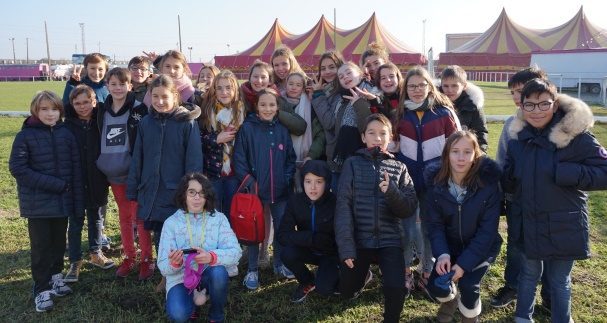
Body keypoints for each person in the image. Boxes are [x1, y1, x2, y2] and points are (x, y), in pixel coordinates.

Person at [502, 79, 607, 322]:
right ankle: (522, 317)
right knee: (528, 273)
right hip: (529, 220)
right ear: (522, 106)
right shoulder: (519, 138)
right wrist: (508, 177)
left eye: (543, 104)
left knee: (560, 280)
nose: (537, 111)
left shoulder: (576, 136)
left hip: (564, 223)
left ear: (555, 103)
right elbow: (510, 170)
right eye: (530, 105)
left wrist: (569, 173)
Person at [335, 113, 418, 323]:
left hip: (390, 240)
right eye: (372, 133)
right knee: (347, 290)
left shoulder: (399, 168)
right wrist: (346, 247)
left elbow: (408, 208)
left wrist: (392, 192)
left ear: (390, 138)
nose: (377, 138)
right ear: (363, 137)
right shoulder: (352, 164)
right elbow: (343, 206)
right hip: (360, 239)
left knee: (396, 289)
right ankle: (363, 277)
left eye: (383, 134)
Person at [9, 91, 81, 312]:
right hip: (38, 205)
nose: (50, 114)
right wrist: (54, 184)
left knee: (58, 244)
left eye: (55, 109)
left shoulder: (66, 134)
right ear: (35, 111)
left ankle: (56, 278)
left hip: (62, 204)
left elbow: (75, 171)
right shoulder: (25, 136)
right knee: (41, 248)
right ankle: (41, 289)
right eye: (44, 109)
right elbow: (18, 168)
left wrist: (76, 203)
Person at [422, 131, 503, 323]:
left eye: (467, 152)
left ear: (475, 155)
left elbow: (487, 232)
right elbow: (435, 226)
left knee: (468, 284)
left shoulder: (489, 186)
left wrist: (463, 265)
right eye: (455, 151)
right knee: (436, 286)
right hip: (450, 248)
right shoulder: (435, 186)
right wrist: (442, 254)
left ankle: (470, 318)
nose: (460, 158)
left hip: (482, 248)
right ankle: (449, 300)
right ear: (446, 154)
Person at [127, 74, 203, 274]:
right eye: (155, 96)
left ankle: (183, 272)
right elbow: (138, 158)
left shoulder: (187, 123)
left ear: (175, 96)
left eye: (165, 97)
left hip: (175, 191)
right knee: (160, 234)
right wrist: (133, 187)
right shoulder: (145, 123)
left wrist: (191, 192)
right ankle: (166, 272)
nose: (160, 102)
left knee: (179, 234)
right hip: (151, 189)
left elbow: (193, 160)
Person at [395, 66, 460, 299]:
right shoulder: (401, 114)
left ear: (429, 86)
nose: (416, 90)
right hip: (408, 182)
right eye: (411, 86)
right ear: (405, 89)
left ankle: (427, 272)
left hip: (436, 181)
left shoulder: (444, 113)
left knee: (430, 229)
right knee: (407, 228)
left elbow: (457, 145)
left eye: (421, 85)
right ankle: (405, 271)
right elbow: (394, 144)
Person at [491, 67, 551, 309]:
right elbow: (502, 161)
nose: (517, 96)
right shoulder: (510, 124)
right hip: (517, 198)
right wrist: (502, 193)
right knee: (516, 244)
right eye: (513, 92)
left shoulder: (556, 122)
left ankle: (549, 294)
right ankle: (513, 287)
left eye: (521, 90)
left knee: (550, 247)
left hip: (549, 201)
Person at [234, 88, 297, 290]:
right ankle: (252, 269)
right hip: (255, 192)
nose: (267, 109)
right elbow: (239, 160)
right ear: (256, 107)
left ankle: (279, 264)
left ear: (277, 107)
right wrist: (250, 182)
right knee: (254, 231)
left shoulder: (282, 130)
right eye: (263, 105)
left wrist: (286, 178)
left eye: (272, 105)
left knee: (281, 229)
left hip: (280, 191)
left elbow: (290, 158)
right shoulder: (247, 128)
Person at [158, 172, 241, 322]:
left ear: (207, 196)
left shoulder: (219, 219)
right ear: (183, 194)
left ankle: (216, 315)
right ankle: (191, 305)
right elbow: (163, 266)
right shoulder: (171, 223)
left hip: (208, 272)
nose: (197, 197)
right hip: (181, 277)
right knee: (178, 314)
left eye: (202, 193)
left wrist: (212, 257)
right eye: (192, 192)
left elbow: (236, 252)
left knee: (219, 273)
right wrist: (174, 264)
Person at [96, 67, 152, 280]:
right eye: (113, 84)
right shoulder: (100, 110)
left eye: (123, 84)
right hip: (112, 174)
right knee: (124, 217)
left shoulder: (139, 109)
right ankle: (130, 256)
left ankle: (147, 258)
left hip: (134, 173)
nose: (118, 88)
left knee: (139, 217)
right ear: (107, 85)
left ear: (130, 86)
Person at [64, 85, 114, 283]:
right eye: (77, 103)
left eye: (87, 102)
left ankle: (95, 253)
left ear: (95, 102)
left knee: (96, 218)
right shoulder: (66, 126)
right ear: (72, 105)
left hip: (97, 179)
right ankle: (75, 261)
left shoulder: (101, 122)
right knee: (75, 222)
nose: (83, 107)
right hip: (75, 181)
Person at [198, 69, 244, 277]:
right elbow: (198, 138)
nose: (224, 91)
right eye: (220, 88)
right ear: (214, 90)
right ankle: (216, 255)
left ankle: (231, 255)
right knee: (216, 214)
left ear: (235, 89)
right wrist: (216, 139)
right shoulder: (206, 111)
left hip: (235, 173)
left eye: (228, 87)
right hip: (214, 171)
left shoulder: (242, 111)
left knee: (233, 214)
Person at [277, 160, 339, 302]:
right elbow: (282, 235)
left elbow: (344, 235)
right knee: (287, 254)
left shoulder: (335, 202)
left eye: (319, 182)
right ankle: (307, 281)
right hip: (309, 249)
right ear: (302, 182)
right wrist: (311, 238)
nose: (313, 187)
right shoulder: (295, 202)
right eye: (308, 181)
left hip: (330, 253)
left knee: (325, 289)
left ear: (327, 183)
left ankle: (354, 275)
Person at [312, 61, 379, 191]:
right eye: (341, 76)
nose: (345, 77)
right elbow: (330, 123)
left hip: (364, 160)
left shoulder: (373, 95)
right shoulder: (342, 99)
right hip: (339, 160)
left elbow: (369, 127)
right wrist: (319, 94)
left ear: (360, 74)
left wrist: (360, 104)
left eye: (348, 73)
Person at [240, 60, 307, 135]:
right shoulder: (240, 97)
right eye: (255, 76)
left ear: (269, 81)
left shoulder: (277, 99)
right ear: (250, 78)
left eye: (263, 77)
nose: (259, 80)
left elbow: (301, 127)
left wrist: (276, 112)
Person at [439, 65, 489, 152]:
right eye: (446, 86)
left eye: (454, 86)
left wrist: (477, 160)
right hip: (439, 157)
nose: (450, 90)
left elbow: (481, 135)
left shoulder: (473, 107)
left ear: (464, 86)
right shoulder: (434, 105)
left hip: (464, 158)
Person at [283, 71, 325, 166]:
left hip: (306, 159)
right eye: (291, 84)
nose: (294, 87)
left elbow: (320, 135)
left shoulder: (311, 106)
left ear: (303, 88)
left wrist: (311, 156)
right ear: (286, 85)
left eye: (298, 85)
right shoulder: (277, 103)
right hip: (282, 158)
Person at [310, 50, 345, 162]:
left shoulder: (342, 91)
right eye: (323, 68)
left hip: (338, 152)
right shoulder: (325, 89)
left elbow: (329, 122)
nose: (327, 71)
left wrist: (318, 95)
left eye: (331, 67)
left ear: (340, 67)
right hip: (323, 149)